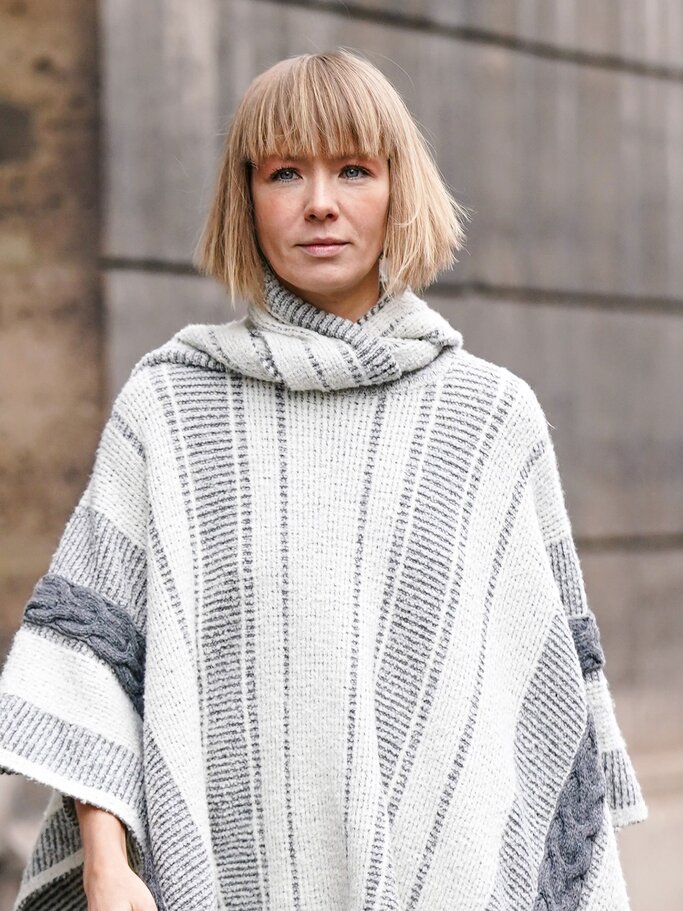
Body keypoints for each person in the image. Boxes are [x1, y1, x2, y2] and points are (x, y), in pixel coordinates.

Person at [0, 49, 647, 911]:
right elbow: (98, 654)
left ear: (397, 187)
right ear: (246, 198)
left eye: (352, 169)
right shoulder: (171, 407)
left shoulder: (491, 419)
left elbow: (547, 694)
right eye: (283, 173)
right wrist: (107, 868)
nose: (319, 203)